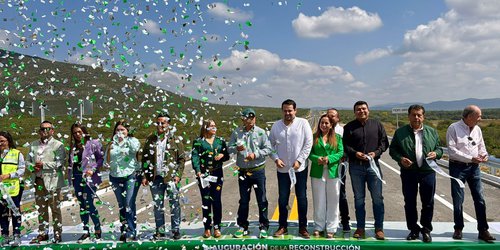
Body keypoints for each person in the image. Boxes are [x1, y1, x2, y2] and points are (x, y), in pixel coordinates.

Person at [389, 105, 443, 243]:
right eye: (413, 115)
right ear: (409, 116)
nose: (416, 118)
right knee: (410, 202)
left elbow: (439, 149)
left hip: (427, 172)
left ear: (423, 116)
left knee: (428, 202)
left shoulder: (432, 132)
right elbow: (393, 150)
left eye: (419, 115)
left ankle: (426, 229)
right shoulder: (400, 132)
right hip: (409, 173)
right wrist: (400, 159)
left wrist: (436, 153)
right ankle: (413, 229)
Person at [446, 105, 496, 243]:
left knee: (479, 198)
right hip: (458, 167)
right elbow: (451, 150)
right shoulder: (453, 128)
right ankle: (458, 228)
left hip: (474, 168)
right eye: (478, 116)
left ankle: (483, 230)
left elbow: (481, 147)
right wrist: (470, 158)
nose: (480, 119)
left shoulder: (478, 129)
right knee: (458, 199)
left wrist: (484, 155)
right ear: (468, 116)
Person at [343, 101, 389, 240]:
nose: (361, 111)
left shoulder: (377, 125)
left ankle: (379, 228)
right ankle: (360, 228)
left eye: (364, 109)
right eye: (358, 109)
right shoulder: (349, 127)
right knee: (359, 199)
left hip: (373, 166)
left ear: (368, 110)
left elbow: (384, 143)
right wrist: (355, 153)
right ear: (354, 112)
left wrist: (376, 153)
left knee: (377, 198)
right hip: (356, 167)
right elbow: (345, 145)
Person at [269, 99, 313, 239]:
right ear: (282, 111)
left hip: (299, 169)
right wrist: (276, 159)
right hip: (283, 170)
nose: (288, 113)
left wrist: (300, 160)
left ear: (295, 110)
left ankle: (303, 227)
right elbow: (270, 146)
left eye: (290, 110)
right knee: (283, 198)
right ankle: (282, 226)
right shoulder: (276, 126)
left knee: (301, 198)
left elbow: (308, 143)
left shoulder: (303, 123)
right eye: (285, 110)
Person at [228, 108, 272, 239]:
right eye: (248, 118)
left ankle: (263, 226)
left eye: (253, 118)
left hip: (258, 170)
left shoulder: (261, 132)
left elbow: (268, 148)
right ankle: (242, 226)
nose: (251, 120)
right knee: (244, 201)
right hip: (243, 172)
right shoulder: (237, 132)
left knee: (262, 200)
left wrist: (256, 154)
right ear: (243, 119)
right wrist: (236, 148)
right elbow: (229, 148)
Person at [141, 112, 185, 240]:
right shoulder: (151, 139)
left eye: (163, 122)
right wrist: (145, 175)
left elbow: (181, 159)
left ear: (168, 124)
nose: (160, 125)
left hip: (170, 178)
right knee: (158, 205)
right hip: (155, 178)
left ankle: (175, 229)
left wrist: (178, 175)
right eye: (158, 122)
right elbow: (144, 158)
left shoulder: (175, 139)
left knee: (174, 204)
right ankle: (160, 230)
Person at [28, 121, 66, 244]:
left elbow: (60, 163)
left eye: (48, 129)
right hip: (38, 181)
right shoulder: (33, 145)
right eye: (43, 129)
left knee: (55, 209)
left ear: (52, 131)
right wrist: (32, 167)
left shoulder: (58, 145)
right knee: (41, 209)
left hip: (52, 182)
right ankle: (42, 233)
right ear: (39, 131)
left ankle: (57, 233)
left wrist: (44, 165)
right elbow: (28, 162)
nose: (45, 131)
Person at [191, 119, 230, 238]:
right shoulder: (198, 142)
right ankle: (207, 227)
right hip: (204, 175)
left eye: (215, 126)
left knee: (216, 201)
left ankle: (217, 227)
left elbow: (227, 155)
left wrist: (223, 155)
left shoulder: (220, 141)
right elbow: (195, 157)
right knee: (206, 201)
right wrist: (197, 170)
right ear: (205, 128)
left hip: (217, 174)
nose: (214, 128)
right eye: (211, 126)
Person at [104, 119, 141, 242]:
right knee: (121, 205)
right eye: (118, 130)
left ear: (127, 131)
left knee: (129, 203)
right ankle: (124, 230)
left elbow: (135, 150)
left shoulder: (133, 141)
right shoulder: (111, 144)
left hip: (130, 175)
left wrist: (124, 140)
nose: (119, 132)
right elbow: (106, 160)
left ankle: (131, 231)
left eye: (122, 130)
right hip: (115, 176)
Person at [309, 114, 344, 238]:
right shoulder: (314, 137)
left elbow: (340, 152)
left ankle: (331, 227)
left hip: (332, 171)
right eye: (322, 123)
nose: (324, 125)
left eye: (326, 123)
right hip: (317, 172)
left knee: (333, 200)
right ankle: (319, 226)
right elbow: (309, 153)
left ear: (331, 125)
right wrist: (317, 158)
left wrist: (329, 158)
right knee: (319, 200)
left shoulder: (338, 138)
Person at [68, 123, 104, 242]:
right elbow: (71, 164)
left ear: (84, 131)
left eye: (79, 132)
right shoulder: (73, 147)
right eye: (75, 133)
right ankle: (85, 231)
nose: (77, 134)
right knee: (82, 205)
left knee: (89, 202)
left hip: (90, 178)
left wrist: (93, 169)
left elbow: (100, 159)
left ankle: (98, 229)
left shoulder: (93, 144)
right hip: (77, 177)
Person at [327, 108, 350, 233]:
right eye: (328, 116)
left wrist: (344, 156)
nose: (330, 118)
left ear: (338, 118)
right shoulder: (323, 130)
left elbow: (347, 147)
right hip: (326, 167)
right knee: (326, 194)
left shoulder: (343, 130)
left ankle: (345, 220)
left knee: (340, 193)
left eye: (333, 116)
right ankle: (328, 219)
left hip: (340, 167)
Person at [0, 131, 25, 246]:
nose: (0, 143)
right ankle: (4, 235)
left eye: (2, 141)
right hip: (0, 191)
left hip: (13, 189)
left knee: (15, 212)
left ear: (8, 141)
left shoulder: (17, 153)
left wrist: (9, 175)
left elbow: (22, 170)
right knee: (2, 213)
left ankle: (16, 235)